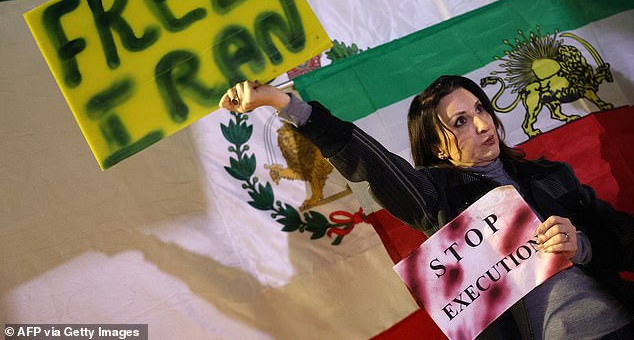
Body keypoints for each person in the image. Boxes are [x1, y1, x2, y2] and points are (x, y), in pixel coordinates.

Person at [220, 76, 634, 340]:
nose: (483, 124)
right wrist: (283, 103)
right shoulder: (438, 201)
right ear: (438, 147)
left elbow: (626, 239)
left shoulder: (552, 175)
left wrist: (583, 245)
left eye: (480, 110)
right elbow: (372, 163)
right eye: (460, 122)